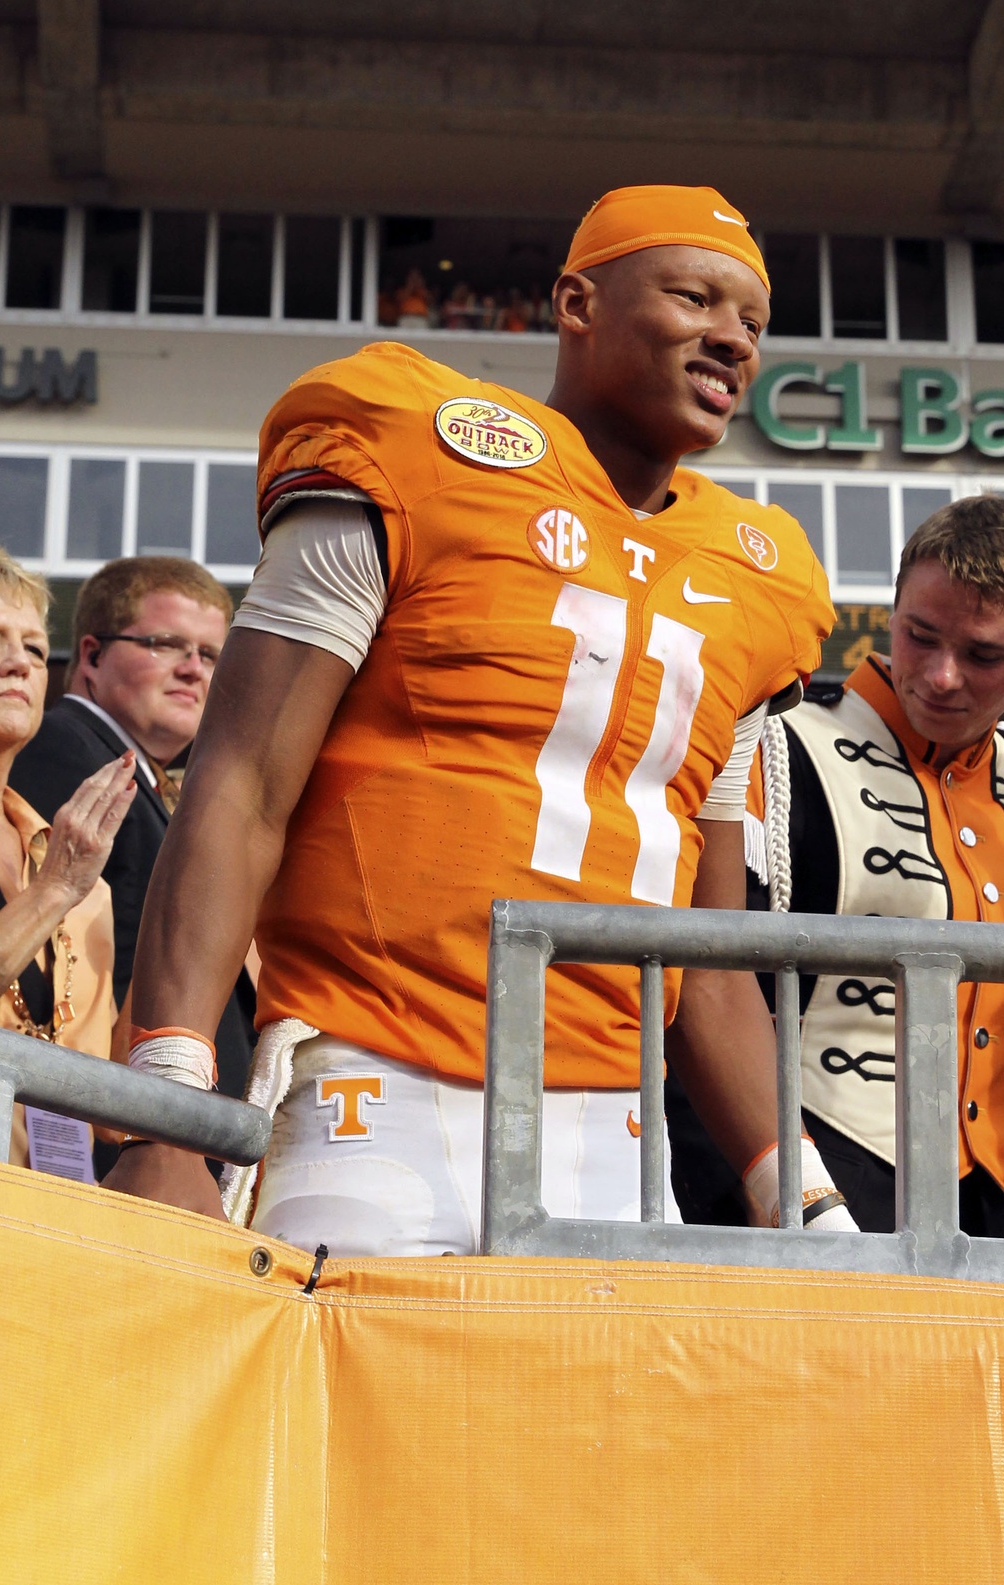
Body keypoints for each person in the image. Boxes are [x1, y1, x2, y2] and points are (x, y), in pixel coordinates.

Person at [107, 183, 848, 1254]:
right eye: (695, 297)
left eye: (753, 322)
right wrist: (166, 1105)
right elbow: (239, 785)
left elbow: (711, 949)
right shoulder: (418, 449)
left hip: (614, 1123)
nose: (731, 338)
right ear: (578, 304)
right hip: (375, 1084)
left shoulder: (759, 576)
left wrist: (801, 1191)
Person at [671, 495, 1004, 1238]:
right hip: (820, 1191)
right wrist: (776, 1196)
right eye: (919, 635)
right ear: (892, 610)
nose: (941, 676)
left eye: (983, 654)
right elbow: (704, 988)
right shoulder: (776, 756)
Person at [9, 557, 257, 1102]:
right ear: (92, 655)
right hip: (97, 1123)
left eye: (211, 654)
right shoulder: (64, 750)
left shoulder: (136, 776)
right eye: (166, 643)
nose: (194, 668)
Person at [0, 546, 135, 1174]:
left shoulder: (81, 875)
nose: (19, 663)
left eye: (37, 650)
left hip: (55, 1224)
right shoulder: (70, 876)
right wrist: (51, 894)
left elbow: (107, 1106)